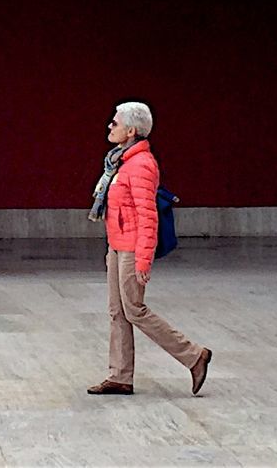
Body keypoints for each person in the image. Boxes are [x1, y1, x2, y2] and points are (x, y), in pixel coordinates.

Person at [86, 101, 212, 396]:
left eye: (115, 123)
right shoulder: (119, 162)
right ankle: (119, 376)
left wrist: (143, 261)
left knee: (135, 309)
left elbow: (147, 215)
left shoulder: (142, 165)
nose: (110, 126)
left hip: (131, 248)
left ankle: (194, 355)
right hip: (116, 246)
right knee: (117, 311)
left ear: (131, 131)